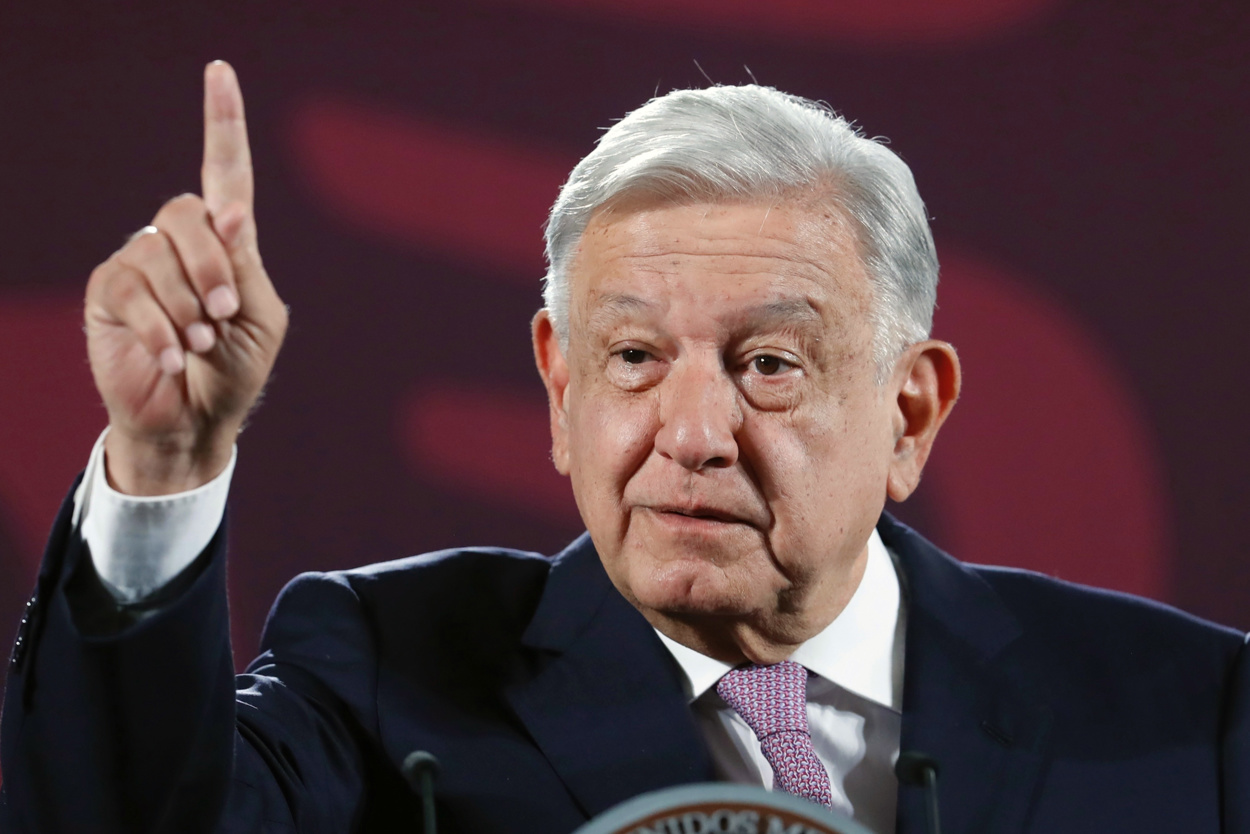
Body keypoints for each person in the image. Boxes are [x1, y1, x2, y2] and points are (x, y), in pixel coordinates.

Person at [1, 61, 1247, 834]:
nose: (691, 435)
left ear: (910, 412)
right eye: (633, 359)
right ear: (558, 388)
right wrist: (163, 466)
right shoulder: (384, 681)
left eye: (768, 364)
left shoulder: (1195, 720)